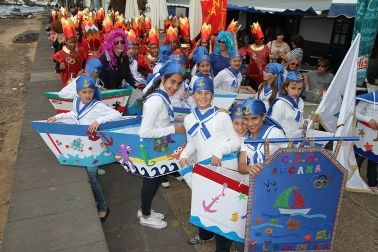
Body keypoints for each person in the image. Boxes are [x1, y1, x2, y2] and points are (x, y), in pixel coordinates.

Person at [47, 74, 122, 221]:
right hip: (82, 144)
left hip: (92, 146)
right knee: (90, 173)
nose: (88, 95)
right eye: (84, 92)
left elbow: (116, 113)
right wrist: (58, 117)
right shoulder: (76, 101)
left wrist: (98, 120)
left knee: (93, 179)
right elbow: (74, 114)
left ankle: (103, 207)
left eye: (90, 91)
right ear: (78, 93)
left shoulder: (97, 105)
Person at [179, 77, 240, 248]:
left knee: (223, 208)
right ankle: (205, 236)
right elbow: (192, 143)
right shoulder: (189, 119)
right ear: (193, 95)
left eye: (207, 93)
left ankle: (223, 247)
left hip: (224, 168)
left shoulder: (222, 116)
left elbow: (235, 142)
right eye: (199, 93)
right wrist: (184, 154)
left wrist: (219, 152)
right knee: (202, 203)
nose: (203, 96)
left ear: (212, 95)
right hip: (203, 168)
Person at [137, 60, 186, 229]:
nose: (175, 87)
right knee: (151, 181)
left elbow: (159, 123)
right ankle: (145, 215)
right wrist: (173, 128)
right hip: (152, 148)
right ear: (163, 79)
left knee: (156, 180)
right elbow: (145, 132)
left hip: (157, 148)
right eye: (172, 82)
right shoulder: (157, 101)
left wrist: (173, 123)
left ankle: (145, 208)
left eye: (179, 84)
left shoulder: (162, 97)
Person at [238, 98, 286, 180]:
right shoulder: (246, 140)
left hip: (277, 179)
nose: (250, 123)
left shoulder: (275, 132)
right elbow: (241, 165)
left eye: (254, 118)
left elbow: (290, 155)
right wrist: (249, 168)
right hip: (255, 182)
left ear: (263, 117)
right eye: (246, 119)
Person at [267, 71, 304, 138]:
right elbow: (273, 126)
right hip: (283, 139)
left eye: (299, 89)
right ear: (286, 87)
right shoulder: (280, 103)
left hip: (297, 136)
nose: (296, 92)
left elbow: (300, 123)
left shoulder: (300, 101)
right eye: (293, 88)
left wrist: (312, 120)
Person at [52, 17, 87, 86]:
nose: (73, 44)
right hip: (67, 81)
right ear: (66, 42)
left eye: (74, 42)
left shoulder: (81, 51)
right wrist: (60, 68)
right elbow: (57, 68)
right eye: (71, 42)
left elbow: (84, 64)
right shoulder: (60, 54)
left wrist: (82, 70)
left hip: (80, 78)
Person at [355, 91, 378, 193]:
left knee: (374, 160)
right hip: (365, 134)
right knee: (359, 158)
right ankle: (353, 180)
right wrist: (368, 119)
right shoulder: (370, 96)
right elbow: (355, 112)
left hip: (376, 138)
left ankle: (372, 182)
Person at [246, 22, 270, 87]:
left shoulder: (266, 48)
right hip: (252, 74)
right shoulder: (249, 48)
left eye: (263, 38)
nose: (262, 40)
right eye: (261, 39)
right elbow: (247, 61)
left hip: (263, 73)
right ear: (256, 40)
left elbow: (268, 61)